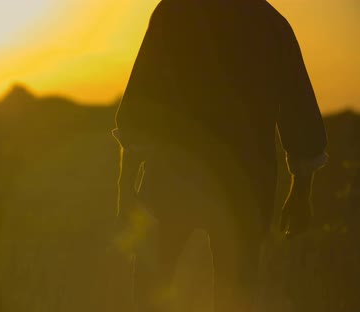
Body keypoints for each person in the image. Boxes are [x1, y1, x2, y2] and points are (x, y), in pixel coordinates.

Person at [112, 0, 328, 311]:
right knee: (236, 290)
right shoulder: (271, 25)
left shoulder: (174, 12)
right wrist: (301, 190)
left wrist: (126, 183)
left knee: (153, 285)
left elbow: (143, 97)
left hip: (175, 180)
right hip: (244, 186)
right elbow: (299, 106)